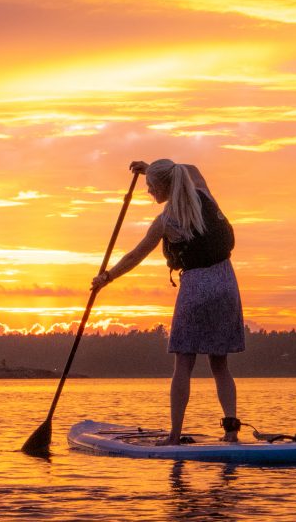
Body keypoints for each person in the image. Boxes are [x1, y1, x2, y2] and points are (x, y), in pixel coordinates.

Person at [91, 159, 245, 445]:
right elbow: (187, 168)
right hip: (226, 282)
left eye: (151, 187)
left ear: (164, 185)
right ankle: (231, 431)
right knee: (219, 364)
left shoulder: (166, 220)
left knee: (183, 364)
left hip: (196, 286)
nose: (149, 192)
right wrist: (152, 167)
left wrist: (106, 277)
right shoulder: (203, 191)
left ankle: (174, 435)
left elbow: (135, 256)